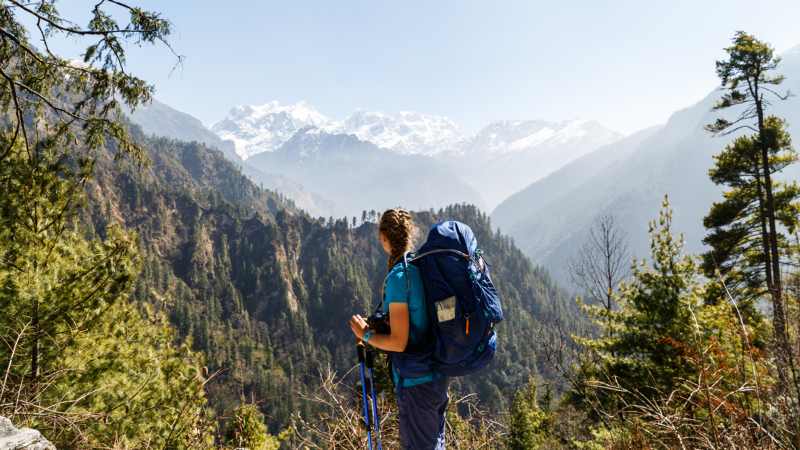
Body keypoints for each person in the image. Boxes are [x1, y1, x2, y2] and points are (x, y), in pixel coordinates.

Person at [350, 208, 449, 450]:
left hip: (417, 382)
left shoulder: (398, 277)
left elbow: (399, 343)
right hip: (438, 374)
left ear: (383, 237)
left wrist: (366, 335)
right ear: (408, 234)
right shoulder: (421, 266)